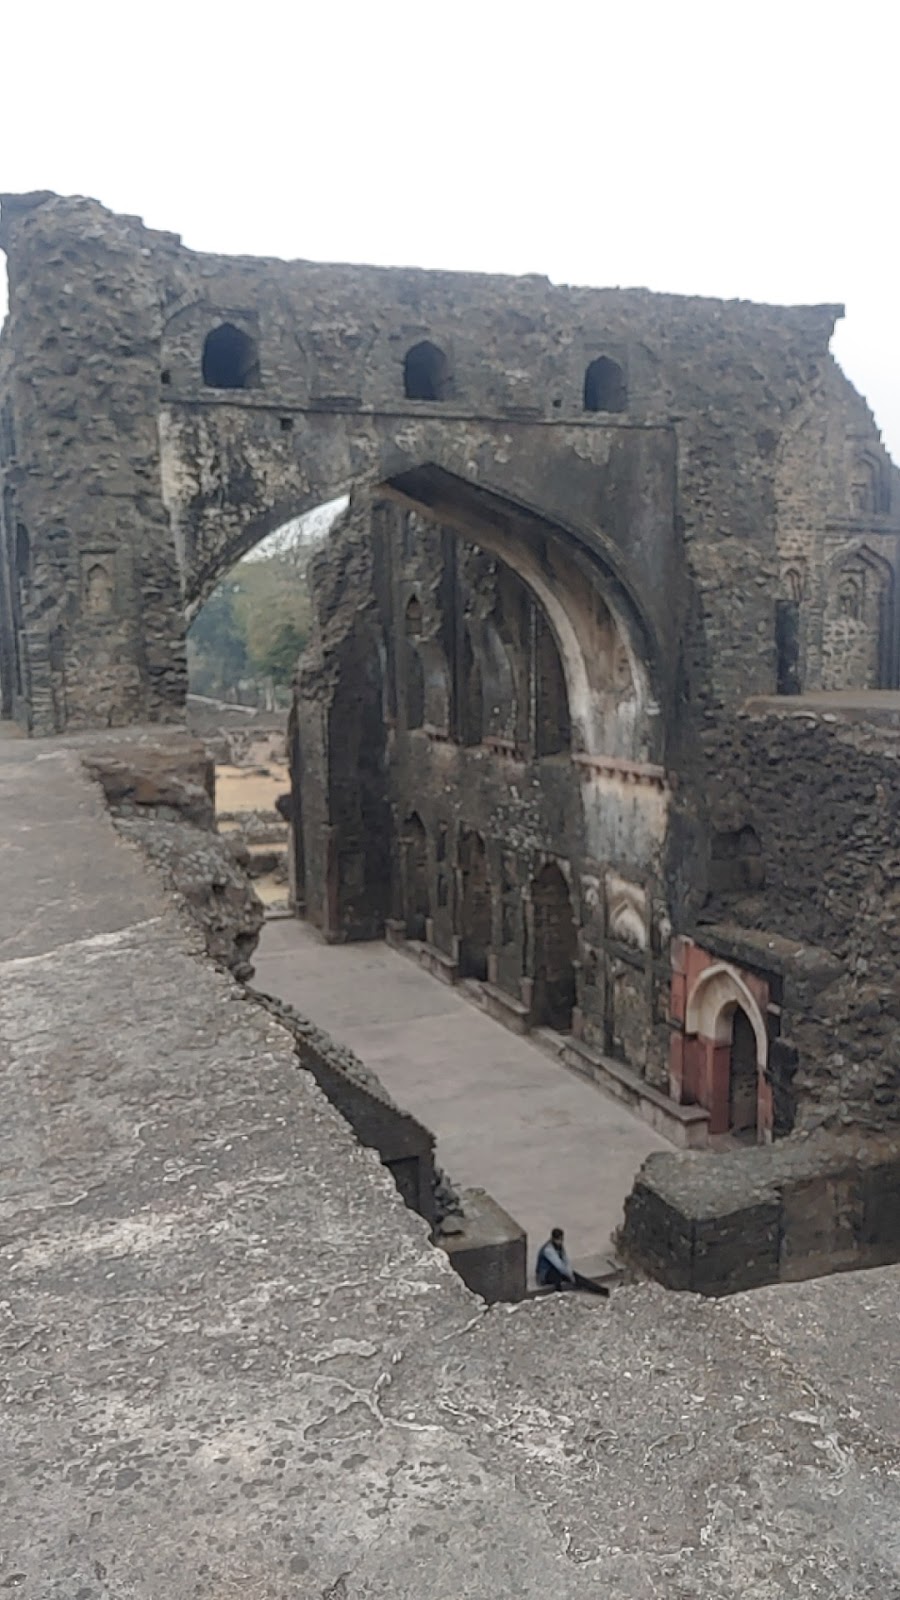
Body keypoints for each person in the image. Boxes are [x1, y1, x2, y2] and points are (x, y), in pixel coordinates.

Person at [535, 1227, 609, 1296]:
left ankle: (601, 1290)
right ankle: (559, 1296)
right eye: (559, 1240)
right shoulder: (548, 1250)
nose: (560, 1242)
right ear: (554, 1239)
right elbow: (559, 1266)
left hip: (556, 1269)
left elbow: (565, 1259)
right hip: (545, 1274)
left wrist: (570, 1272)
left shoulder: (559, 1246)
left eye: (561, 1239)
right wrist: (569, 1275)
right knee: (557, 1278)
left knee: (578, 1277)